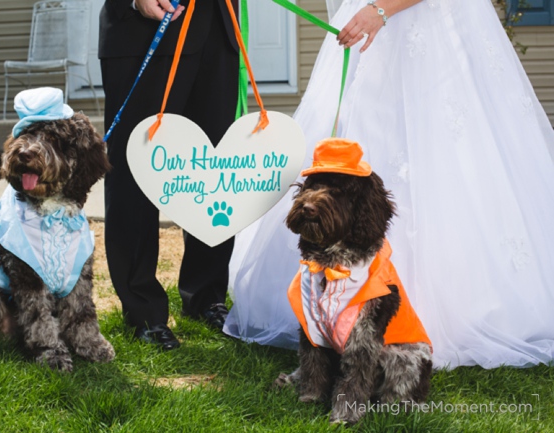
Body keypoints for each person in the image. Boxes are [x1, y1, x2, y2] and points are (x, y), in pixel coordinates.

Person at [225, 0, 554, 369]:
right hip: (372, 33)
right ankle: (339, 302)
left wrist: (380, 10)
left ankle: (424, 306)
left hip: (421, 33)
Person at [99, 0, 240, 350]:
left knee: (211, 169)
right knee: (137, 168)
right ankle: (142, 309)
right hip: (143, 30)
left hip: (217, 32)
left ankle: (206, 295)